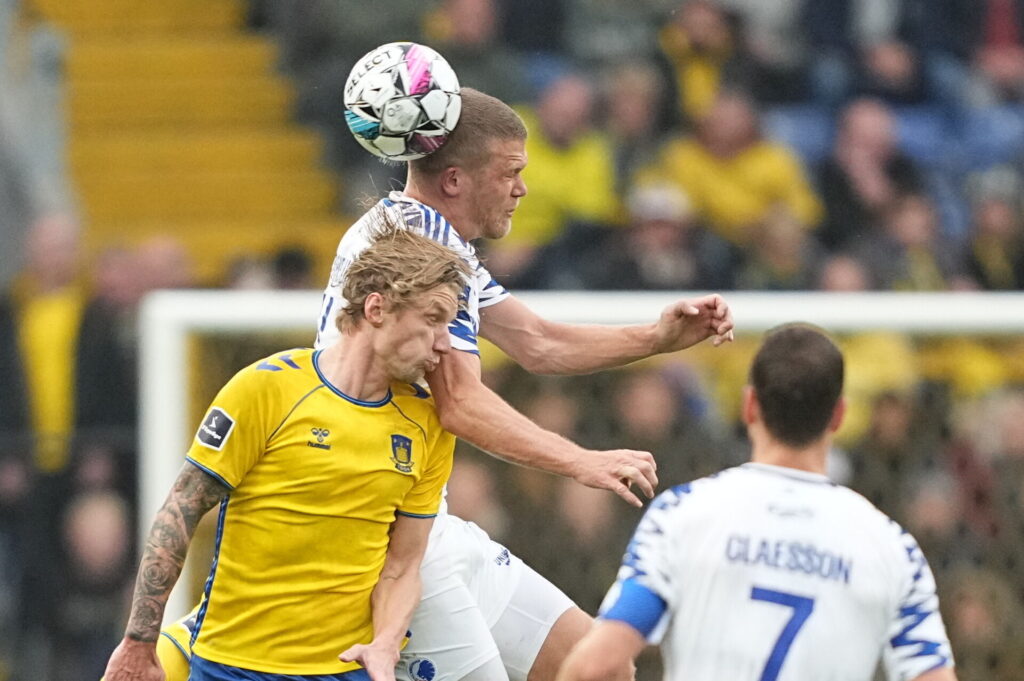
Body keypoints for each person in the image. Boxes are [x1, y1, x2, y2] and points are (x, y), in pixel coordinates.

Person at [154, 86, 734, 681]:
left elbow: (535, 341)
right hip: (392, 545)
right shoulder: (421, 246)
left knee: (602, 668)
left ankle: (175, 648)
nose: (522, 189)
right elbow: (458, 402)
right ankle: (174, 650)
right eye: (511, 172)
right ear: (455, 179)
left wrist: (654, 338)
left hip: (431, 522)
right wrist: (579, 461)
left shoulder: (428, 236)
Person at [102, 226, 470, 681]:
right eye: (433, 318)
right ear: (377, 308)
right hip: (233, 667)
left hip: (343, 670)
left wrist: (385, 644)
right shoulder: (267, 388)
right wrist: (139, 641)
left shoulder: (428, 424)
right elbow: (181, 510)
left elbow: (403, 565)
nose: (444, 342)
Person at [556, 324, 957, 681]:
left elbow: (596, 664)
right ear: (838, 416)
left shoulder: (683, 516)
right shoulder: (891, 547)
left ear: (749, 407)